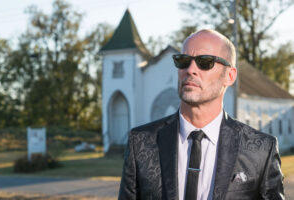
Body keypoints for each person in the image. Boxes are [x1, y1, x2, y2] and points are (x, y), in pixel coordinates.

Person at [118, 29, 284, 200]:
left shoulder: (261, 150)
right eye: (183, 61)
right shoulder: (140, 142)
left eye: (205, 62)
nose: (190, 70)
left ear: (229, 75)